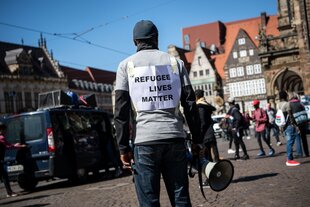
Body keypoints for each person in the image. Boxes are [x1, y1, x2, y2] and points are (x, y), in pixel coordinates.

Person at [114, 20, 202, 206]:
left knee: (149, 201)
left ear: (134, 41)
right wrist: (197, 139)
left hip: (144, 142)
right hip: (174, 137)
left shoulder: (125, 66)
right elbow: (190, 105)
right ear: (156, 39)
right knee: (180, 197)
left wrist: (123, 148)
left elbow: (120, 112)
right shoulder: (175, 63)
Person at [0, 121, 25, 197]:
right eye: (5, 130)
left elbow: (7, 145)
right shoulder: (1, 137)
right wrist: (19, 146)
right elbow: (9, 146)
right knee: (4, 176)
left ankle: (9, 192)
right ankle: (9, 192)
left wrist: (15, 145)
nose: (6, 131)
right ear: (2, 130)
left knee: (4, 176)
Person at [195, 89, 220, 163]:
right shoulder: (205, 104)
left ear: (197, 97)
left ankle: (213, 170)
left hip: (205, 133)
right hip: (210, 132)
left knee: (209, 154)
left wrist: (200, 133)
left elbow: (202, 121)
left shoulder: (200, 107)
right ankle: (216, 167)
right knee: (214, 152)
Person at [288, 92, 309, 157]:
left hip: (296, 123)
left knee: (297, 138)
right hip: (303, 121)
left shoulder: (290, 104)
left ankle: (300, 153)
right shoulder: (300, 103)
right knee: (304, 138)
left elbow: (290, 115)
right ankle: (307, 153)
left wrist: (292, 123)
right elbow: (305, 112)